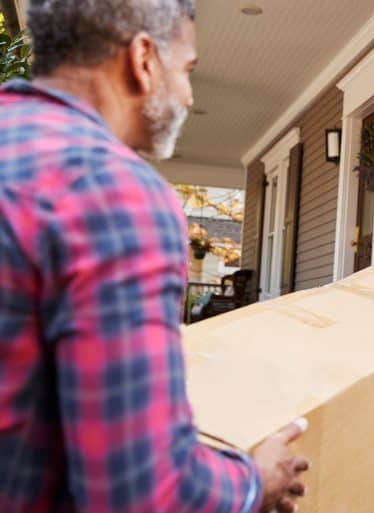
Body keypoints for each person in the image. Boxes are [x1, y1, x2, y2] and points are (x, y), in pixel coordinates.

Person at [0, 1, 309, 512]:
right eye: (186, 70)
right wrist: (256, 479)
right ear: (143, 59)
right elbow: (142, 492)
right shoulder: (111, 190)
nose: (188, 95)